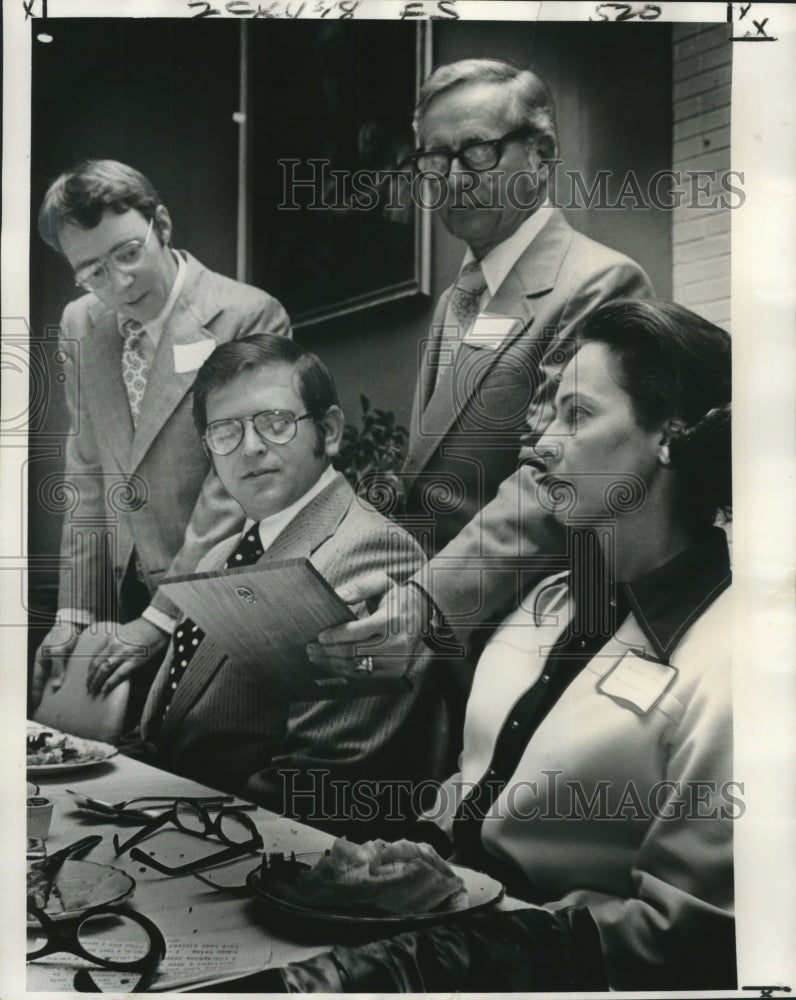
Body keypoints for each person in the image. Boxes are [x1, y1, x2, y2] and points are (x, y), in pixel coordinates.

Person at [277, 299, 735, 991]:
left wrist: (427, 963)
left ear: (670, 437)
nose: (538, 444)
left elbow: (688, 940)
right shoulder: (544, 603)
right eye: (546, 415)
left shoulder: (736, 661)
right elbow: (476, 785)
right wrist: (405, 865)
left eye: (577, 415)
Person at [309, 57, 653, 721]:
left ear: (542, 153)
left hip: (536, 632)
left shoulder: (599, 282)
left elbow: (551, 484)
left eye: (477, 150)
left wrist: (426, 599)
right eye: (434, 157)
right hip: (445, 633)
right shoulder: (457, 298)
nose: (451, 177)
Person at [137, 335, 445, 834]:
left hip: (246, 853)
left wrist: (161, 822)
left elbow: (319, 779)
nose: (251, 446)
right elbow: (164, 728)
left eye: (275, 423)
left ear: (327, 430)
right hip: (161, 825)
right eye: (225, 432)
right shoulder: (220, 555)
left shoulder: (371, 551)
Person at [31, 160, 291, 713]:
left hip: (218, 589)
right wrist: (73, 613)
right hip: (119, 591)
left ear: (162, 226)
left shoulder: (247, 315)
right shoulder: (81, 324)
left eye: (127, 253)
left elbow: (235, 485)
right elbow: (87, 469)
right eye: (92, 271)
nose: (117, 283)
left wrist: (163, 615)